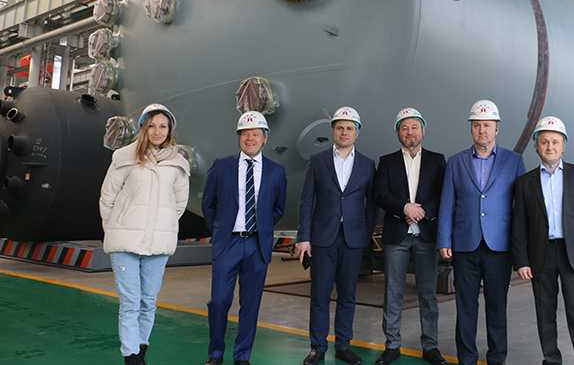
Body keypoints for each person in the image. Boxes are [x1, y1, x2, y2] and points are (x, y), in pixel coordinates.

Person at [99, 103, 190, 365]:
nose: (157, 131)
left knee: (148, 301)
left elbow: (178, 205)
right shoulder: (124, 157)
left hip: (158, 243)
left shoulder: (178, 164)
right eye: (151, 126)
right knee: (130, 303)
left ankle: (141, 349)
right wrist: (115, 226)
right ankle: (131, 356)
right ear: (143, 128)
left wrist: (162, 225)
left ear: (170, 130)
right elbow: (107, 198)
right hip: (124, 241)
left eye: (163, 126)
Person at [436, 100, 525, 365]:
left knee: (497, 306)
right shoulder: (456, 162)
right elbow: (447, 203)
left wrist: (520, 246)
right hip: (465, 244)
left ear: (496, 128)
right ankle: (467, 358)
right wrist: (444, 239)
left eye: (487, 125)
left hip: (500, 245)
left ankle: (497, 358)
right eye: (477, 125)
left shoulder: (514, 161)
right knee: (466, 306)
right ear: (471, 128)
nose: (482, 130)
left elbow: (521, 207)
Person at [512, 116, 574, 365]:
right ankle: (551, 360)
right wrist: (521, 261)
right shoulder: (525, 182)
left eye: (555, 142)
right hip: (540, 257)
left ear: (563, 146)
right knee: (545, 314)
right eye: (544, 142)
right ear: (536, 146)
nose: (550, 147)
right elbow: (519, 226)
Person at [202, 111, 288, 365]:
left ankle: (242, 356)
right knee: (219, 301)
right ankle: (215, 354)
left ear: (265, 138)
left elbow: (278, 208)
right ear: (239, 137)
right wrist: (220, 230)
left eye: (255, 134)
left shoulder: (276, 171)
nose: (250, 138)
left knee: (250, 303)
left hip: (257, 245)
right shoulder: (221, 166)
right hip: (227, 243)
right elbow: (208, 204)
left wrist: (262, 228)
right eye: (245, 134)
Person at [295, 107, 378, 365]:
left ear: (357, 132)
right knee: (320, 295)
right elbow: (306, 200)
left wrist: (365, 233)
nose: (344, 132)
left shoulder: (367, 164)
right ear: (333, 131)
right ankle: (318, 347)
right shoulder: (317, 161)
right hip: (322, 238)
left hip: (352, 239)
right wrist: (303, 236)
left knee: (347, 295)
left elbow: (372, 204)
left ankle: (343, 346)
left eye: (349, 128)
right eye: (340, 127)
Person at [373, 108, 448, 365]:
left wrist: (421, 211)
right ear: (398, 133)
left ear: (423, 131)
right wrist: (404, 208)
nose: (410, 132)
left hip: (426, 235)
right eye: (404, 128)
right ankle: (392, 346)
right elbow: (379, 193)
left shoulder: (437, 161)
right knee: (393, 293)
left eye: (414, 127)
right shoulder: (387, 161)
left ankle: (431, 346)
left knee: (428, 293)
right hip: (397, 236)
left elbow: (444, 193)